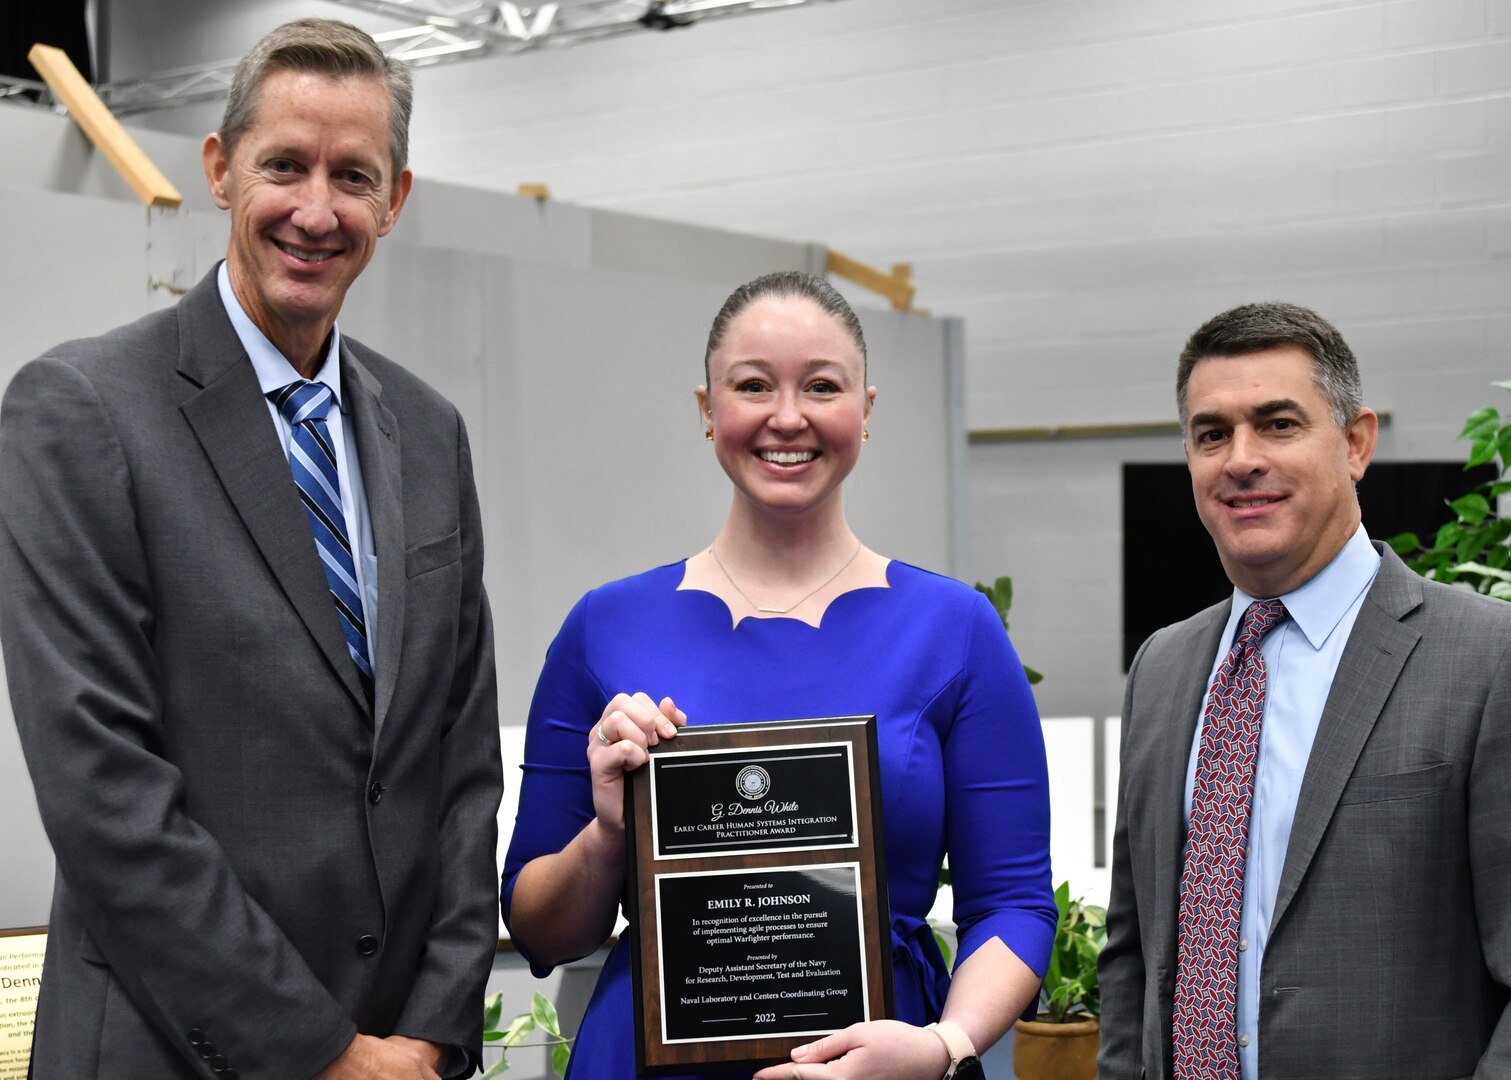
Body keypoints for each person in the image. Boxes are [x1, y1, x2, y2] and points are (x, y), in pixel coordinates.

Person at [0, 19, 501, 1080]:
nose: (316, 211)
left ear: (395, 201)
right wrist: (324, 1055)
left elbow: (460, 771)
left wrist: (431, 1031)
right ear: (221, 171)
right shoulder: (82, 412)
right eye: (285, 165)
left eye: (353, 176)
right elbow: (105, 796)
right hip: (172, 1050)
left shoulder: (428, 432)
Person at [502, 271, 1055, 1079]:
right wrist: (612, 832)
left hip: (884, 1064)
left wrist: (945, 1045)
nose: (787, 416)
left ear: (866, 410)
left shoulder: (956, 630)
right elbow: (543, 932)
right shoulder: (605, 627)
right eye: (754, 385)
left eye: (822, 386)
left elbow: (1011, 902)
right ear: (707, 410)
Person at [1098, 301, 1511, 1080]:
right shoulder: (1164, 670)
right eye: (1213, 434)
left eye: (1278, 424)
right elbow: (1134, 954)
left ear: (1355, 443)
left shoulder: (1504, 661)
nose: (1240, 458)